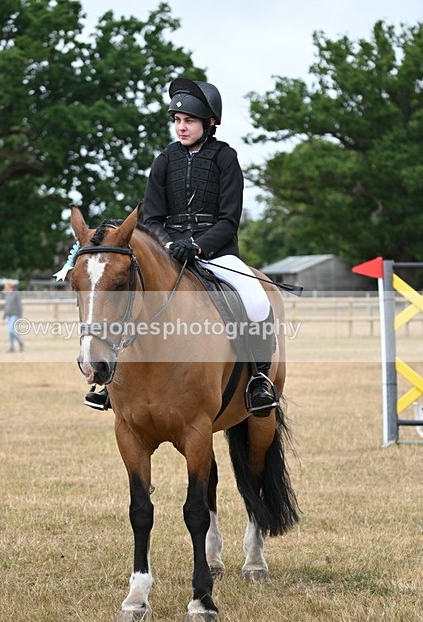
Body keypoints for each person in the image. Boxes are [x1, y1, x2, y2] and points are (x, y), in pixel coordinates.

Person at [85, 78, 278, 417]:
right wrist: (170, 243)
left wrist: (199, 246)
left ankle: (258, 380)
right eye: (177, 120)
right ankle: (111, 385)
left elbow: (229, 219)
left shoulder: (225, 158)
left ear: (210, 123)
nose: (181, 127)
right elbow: (152, 216)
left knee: (256, 299)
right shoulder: (164, 160)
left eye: (188, 121)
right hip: (169, 251)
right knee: (128, 299)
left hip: (217, 251)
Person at [2, 279, 24, 352]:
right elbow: (6, 306)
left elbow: (19, 305)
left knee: (11, 330)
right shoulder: (7, 294)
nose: (5, 287)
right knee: (10, 332)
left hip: (15, 314)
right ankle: (12, 347)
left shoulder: (16, 294)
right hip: (8, 314)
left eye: (6, 285)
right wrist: (4, 316)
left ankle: (20, 342)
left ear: (9, 286)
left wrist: (20, 315)